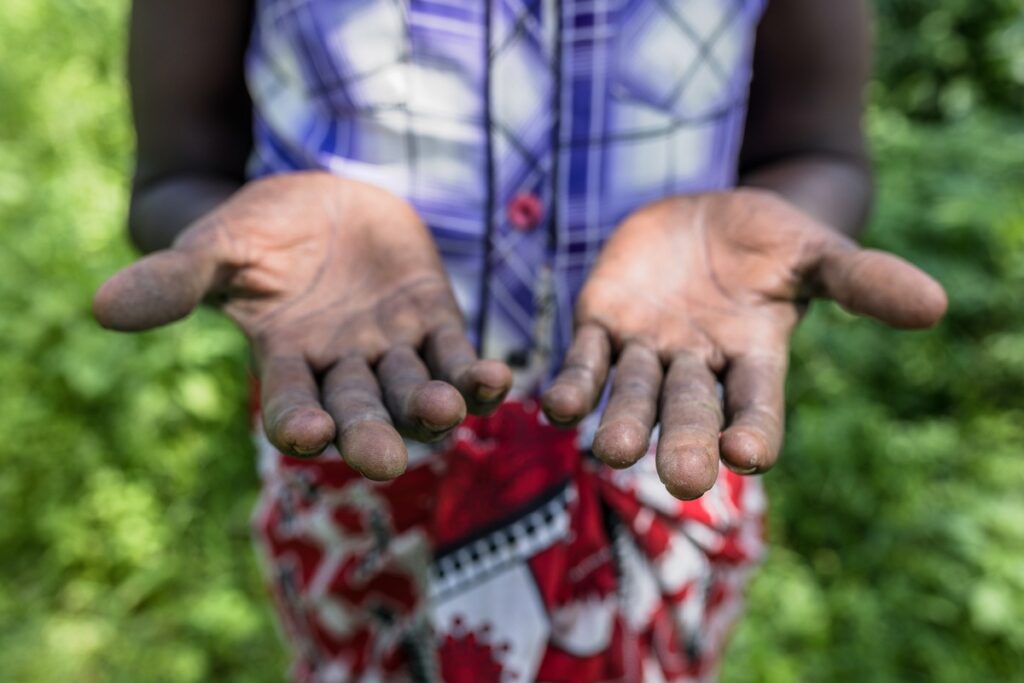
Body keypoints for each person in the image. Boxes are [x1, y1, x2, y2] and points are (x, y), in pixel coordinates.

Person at [93, 0, 947, 680]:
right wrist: (266, 243)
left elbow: (818, 148)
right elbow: (176, 172)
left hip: (664, 443)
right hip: (357, 451)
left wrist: (765, 233)